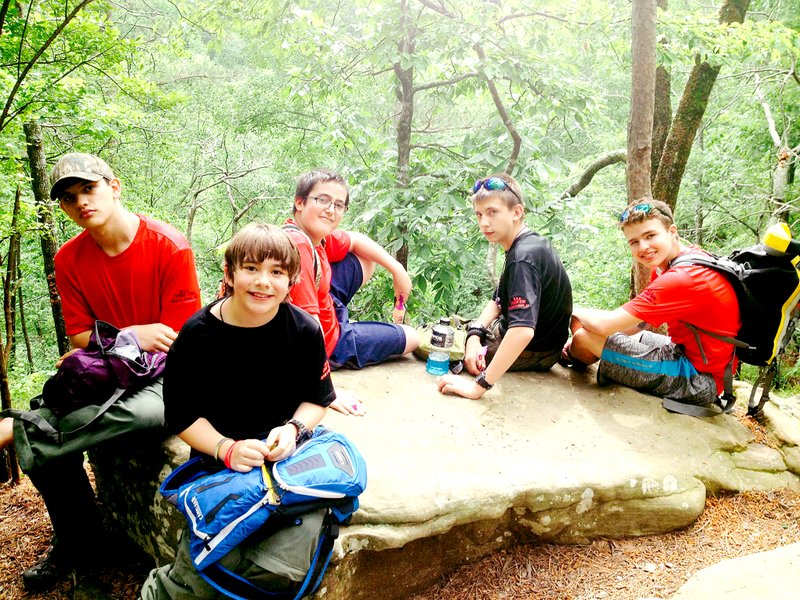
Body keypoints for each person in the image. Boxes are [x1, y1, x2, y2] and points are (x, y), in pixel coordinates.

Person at [5, 153, 202, 592]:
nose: (81, 203)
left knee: (146, 416)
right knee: (52, 446)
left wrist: (114, 339)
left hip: (168, 373)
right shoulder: (70, 259)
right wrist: (132, 334)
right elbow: (78, 335)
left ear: (114, 186)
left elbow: (178, 338)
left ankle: (18, 430)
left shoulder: (168, 245)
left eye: (88, 189)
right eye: (69, 198)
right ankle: (79, 538)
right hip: (109, 369)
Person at [140, 223, 335, 599]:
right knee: (208, 568)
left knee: (286, 561)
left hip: (286, 466)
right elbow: (182, 416)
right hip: (218, 467)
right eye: (251, 268)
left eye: (277, 271)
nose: (263, 282)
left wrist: (294, 429)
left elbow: (318, 398)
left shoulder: (304, 330)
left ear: (292, 279)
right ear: (229, 274)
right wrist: (226, 448)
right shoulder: (198, 336)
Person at [565, 198, 740, 409]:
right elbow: (640, 324)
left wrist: (569, 310)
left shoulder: (682, 278)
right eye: (634, 241)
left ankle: (568, 356)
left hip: (698, 380)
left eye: (650, 236)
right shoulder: (684, 259)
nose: (643, 247)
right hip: (687, 354)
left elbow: (604, 326)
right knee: (594, 330)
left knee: (584, 335)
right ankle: (578, 353)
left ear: (672, 231)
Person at [284, 168, 419, 414]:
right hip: (330, 340)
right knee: (412, 337)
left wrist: (398, 271)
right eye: (322, 200)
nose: (330, 210)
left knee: (363, 258)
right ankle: (347, 346)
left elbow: (355, 239)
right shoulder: (299, 244)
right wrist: (325, 391)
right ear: (299, 202)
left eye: (338, 204)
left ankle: (343, 315)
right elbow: (307, 327)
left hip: (327, 303)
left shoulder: (314, 236)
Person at [437, 173, 573, 400]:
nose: (484, 223)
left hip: (532, 351)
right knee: (462, 334)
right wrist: (474, 334)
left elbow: (521, 332)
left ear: (516, 212)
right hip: (545, 346)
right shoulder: (530, 243)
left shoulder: (522, 257)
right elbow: (498, 300)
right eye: (479, 214)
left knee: (440, 343)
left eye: (492, 212)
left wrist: (478, 386)